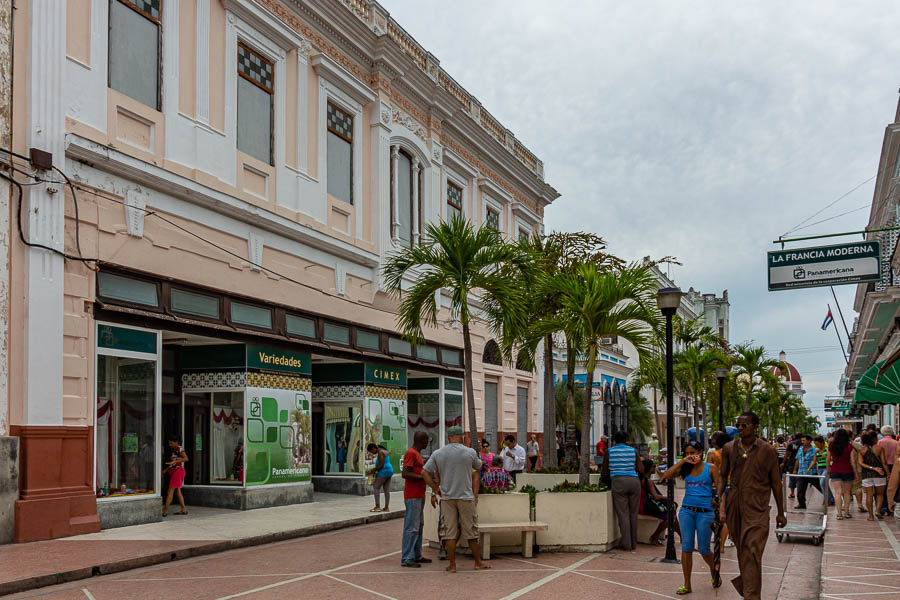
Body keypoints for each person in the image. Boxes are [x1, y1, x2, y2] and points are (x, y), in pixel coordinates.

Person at [717, 412, 786, 600]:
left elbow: (776, 483)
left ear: (755, 427)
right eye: (738, 425)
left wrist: (781, 512)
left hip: (758, 507)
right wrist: (718, 496)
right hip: (735, 506)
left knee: (753, 549)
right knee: (742, 550)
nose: (740, 429)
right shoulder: (729, 448)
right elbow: (723, 475)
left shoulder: (768, 450)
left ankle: (751, 595)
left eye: (744, 425)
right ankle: (748, 589)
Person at [422, 426, 490, 573]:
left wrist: (435, 488)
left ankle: (452, 565)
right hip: (466, 497)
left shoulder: (438, 453)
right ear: (461, 437)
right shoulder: (469, 452)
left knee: (449, 533)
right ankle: (478, 562)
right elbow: (478, 467)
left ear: (448, 438)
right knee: (471, 531)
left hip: (447, 498)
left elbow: (425, 472)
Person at [661, 441, 720, 595]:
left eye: (693, 452)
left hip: (705, 512)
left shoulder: (710, 468)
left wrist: (718, 503)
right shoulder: (685, 469)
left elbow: (721, 488)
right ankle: (687, 584)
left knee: (704, 548)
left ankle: (714, 570)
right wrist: (682, 461)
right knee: (686, 546)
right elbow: (666, 476)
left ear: (701, 452)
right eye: (687, 452)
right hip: (687, 511)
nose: (690, 455)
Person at [603, 430, 644, 551]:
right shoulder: (633, 451)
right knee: (633, 514)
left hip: (618, 481)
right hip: (634, 481)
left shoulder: (609, 451)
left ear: (614, 440)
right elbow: (640, 469)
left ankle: (627, 544)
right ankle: (634, 543)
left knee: (623, 514)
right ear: (626, 440)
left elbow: (604, 470)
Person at [400, 432, 431, 568]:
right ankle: (407, 557)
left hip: (419, 494)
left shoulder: (417, 454)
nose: (428, 443)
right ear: (422, 441)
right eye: (426, 441)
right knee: (411, 527)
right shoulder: (411, 453)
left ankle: (416, 554)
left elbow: (418, 469)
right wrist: (422, 477)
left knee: (419, 525)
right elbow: (405, 473)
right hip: (412, 495)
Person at [639, 457, 679, 545]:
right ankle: (655, 536)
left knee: (673, 512)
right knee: (671, 516)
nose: (655, 468)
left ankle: (681, 535)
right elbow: (656, 497)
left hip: (643, 505)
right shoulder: (648, 481)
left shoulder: (641, 479)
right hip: (646, 506)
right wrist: (668, 497)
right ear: (649, 468)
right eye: (653, 466)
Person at [706, 432, 732, 549]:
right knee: (725, 516)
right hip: (729, 485)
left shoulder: (712, 454)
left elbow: (707, 471)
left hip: (714, 486)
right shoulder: (731, 454)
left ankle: (715, 537)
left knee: (713, 514)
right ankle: (722, 544)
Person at [856, 431, 888, 521]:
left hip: (866, 475)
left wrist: (871, 468)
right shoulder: (879, 449)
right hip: (879, 474)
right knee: (880, 494)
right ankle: (877, 511)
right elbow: (884, 463)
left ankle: (870, 516)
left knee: (869, 495)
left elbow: (860, 463)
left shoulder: (861, 450)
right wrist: (888, 473)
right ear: (873, 439)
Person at [826, 428, 857, 520]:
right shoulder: (849, 447)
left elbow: (828, 459)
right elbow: (852, 461)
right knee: (847, 493)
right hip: (848, 470)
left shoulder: (831, 446)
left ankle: (839, 514)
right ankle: (847, 512)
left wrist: (828, 469)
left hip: (835, 470)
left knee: (837, 493)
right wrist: (855, 473)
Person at [793, 434, 821, 510]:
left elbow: (816, 460)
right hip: (801, 472)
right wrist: (795, 470)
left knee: (820, 487)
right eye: (801, 440)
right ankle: (801, 504)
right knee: (800, 490)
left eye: (804, 440)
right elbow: (797, 460)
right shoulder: (800, 449)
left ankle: (830, 499)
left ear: (809, 441)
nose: (802, 442)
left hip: (811, 473)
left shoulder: (814, 450)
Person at [162, 437, 188, 517]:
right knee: (178, 491)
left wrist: (175, 461)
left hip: (178, 471)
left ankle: (164, 511)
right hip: (174, 471)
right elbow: (174, 463)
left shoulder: (180, 449)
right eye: (169, 443)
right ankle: (183, 509)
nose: (170, 445)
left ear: (176, 442)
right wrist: (166, 470)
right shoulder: (174, 450)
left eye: (171, 443)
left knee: (170, 491)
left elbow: (186, 458)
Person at [367, 443, 394, 512]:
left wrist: (372, 470)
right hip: (389, 470)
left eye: (371, 451)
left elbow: (381, 465)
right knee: (386, 490)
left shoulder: (380, 452)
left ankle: (377, 506)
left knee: (376, 487)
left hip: (384, 471)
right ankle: (386, 507)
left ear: (373, 449)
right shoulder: (384, 450)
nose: (372, 453)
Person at [877, 426, 897, 516]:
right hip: (894, 466)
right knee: (893, 486)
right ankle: (891, 507)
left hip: (882, 466)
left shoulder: (879, 442)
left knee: (882, 487)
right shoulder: (896, 443)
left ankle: (883, 506)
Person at [814, 436, 834, 505]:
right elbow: (815, 460)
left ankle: (829, 499)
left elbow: (832, 458)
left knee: (823, 483)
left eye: (817, 444)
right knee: (823, 484)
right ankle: (829, 499)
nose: (816, 445)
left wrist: (827, 457)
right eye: (815, 444)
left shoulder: (827, 449)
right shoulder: (816, 450)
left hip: (826, 468)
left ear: (822, 443)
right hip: (819, 468)